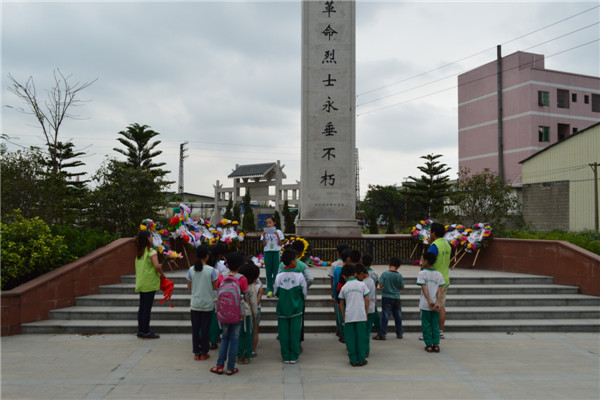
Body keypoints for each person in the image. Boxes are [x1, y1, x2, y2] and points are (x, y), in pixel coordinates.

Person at [210, 251, 248, 376]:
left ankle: (219, 365)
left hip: (223, 312)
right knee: (234, 338)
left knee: (225, 337)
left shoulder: (221, 276)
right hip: (237, 313)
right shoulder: (242, 278)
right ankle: (231, 367)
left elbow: (218, 290)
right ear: (240, 265)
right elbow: (246, 296)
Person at [274, 249, 307, 364]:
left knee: (283, 334)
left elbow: (275, 292)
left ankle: (285, 356)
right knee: (295, 333)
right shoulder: (299, 276)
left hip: (282, 308)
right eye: (295, 259)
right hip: (296, 309)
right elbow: (304, 293)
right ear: (292, 261)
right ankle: (294, 356)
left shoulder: (279, 276)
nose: (296, 261)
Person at [187, 245, 218, 360]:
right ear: (207, 256)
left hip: (195, 303)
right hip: (207, 304)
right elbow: (215, 287)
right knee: (205, 329)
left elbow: (189, 287)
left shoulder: (191, 269)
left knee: (195, 329)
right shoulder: (211, 270)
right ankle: (204, 352)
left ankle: (196, 353)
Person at [135, 230, 166, 339]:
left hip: (141, 282)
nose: (152, 239)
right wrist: (162, 274)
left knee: (142, 308)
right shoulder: (151, 251)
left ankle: (140, 331)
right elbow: (156, 266)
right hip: (149, 283)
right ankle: (146, 332)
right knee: (147, 308)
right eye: (151, 237)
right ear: (147, 239)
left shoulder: (140, 252)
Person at [339, 264, 370, 367]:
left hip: (349, 316)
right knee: (361, 338)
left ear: (344, 276)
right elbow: (367, 299)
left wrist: (343, 315)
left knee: (350, 339)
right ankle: (361, 359)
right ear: (355, 273)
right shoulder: (362, 285)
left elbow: (341, 303)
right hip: (360, 315)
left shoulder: (344, 287)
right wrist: (365, 312)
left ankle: (353, 359)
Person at [417, 252, 446, 353]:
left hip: (425, 304)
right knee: (435, 324)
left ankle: (429, 344)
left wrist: (429, 301)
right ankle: (436, 344)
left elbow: (424, 288)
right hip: (436, 305)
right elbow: (440, 290)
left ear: (426, 261)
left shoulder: (422, 273)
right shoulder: (439, 274)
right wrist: (437, 302)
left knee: (426, 324)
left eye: (422, 259)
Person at [428, 222, 451, 339]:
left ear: (434, 233)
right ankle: (440, 330)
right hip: (445, 279)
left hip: (434, 281)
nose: (429, 233)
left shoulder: (434, 246)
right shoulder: (447, 245)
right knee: (441, 305)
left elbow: (428, 261)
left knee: (433, 306)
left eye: (430, 231)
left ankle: (433, 332)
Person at [373, 257, 405, 340]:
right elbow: (402, 287)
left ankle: (382, 334)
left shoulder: (385, 274)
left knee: (385, 316)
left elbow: (380, 285)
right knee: (398, 315)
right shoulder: (399, 275)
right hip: (396, 297)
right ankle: (399, 333)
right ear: (399, 266)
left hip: (386, 297)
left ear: (389, 264)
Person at [237, 262, 259, 364]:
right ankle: (247, 356)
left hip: (237, 314)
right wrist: (255, 315)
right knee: (248, 335)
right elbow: (254, 303)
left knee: (239, 335)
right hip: (248, 314)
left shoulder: (237, 285)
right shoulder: (251, 287)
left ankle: (239, 355)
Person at [328, 243, 349, 339]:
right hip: (348, 293)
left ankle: (340, 330)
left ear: (339, 253)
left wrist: (333, 292)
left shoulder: (335, 265)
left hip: (338, 292)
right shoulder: (351, 265)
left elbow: (333, 280)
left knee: (339, 313)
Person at [355, 263, 376, 358]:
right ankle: (365, 350)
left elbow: (367, 298)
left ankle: (364, 351)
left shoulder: (365, 283)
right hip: (370, 309)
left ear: (362, 273)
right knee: (366, 332)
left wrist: (365, 312)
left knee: (365, 332)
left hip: (367, 310)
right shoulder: (370, 281)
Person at [261, 216, 284, 298]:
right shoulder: (264, 232)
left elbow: (280, 244)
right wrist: (263, 237)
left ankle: (276, 290)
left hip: (275, 252)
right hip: (267, 253)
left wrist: (277, 236)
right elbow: (264, 245)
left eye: (270, 222)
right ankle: (269, 290)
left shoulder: (279, 232)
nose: (268, 224)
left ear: (274, 223)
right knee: (268, 272)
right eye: (267, 223)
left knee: (276, 272)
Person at [333, 248, 352, 343]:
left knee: (342, 315)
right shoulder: (351, 269)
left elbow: (335, 283)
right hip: (347, 296)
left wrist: (335, 295)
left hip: (341, 296)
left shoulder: (337, 269)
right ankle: (345, 333)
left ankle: (342, 332)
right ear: (349, 259)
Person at [362, 254, 380, 333]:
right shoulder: (374, 273)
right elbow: (376, 284)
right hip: (372, 296)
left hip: (363, 297)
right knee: (375, 313)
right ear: (371, 263)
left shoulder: (361, 273)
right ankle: (379, 328)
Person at [251, 276, 263, 357]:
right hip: (256, 310)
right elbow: (257, 302)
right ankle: (252, 350)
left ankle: (243, 349)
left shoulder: (243, 286)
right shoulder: (259, 288)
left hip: (245, 310)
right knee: (255, 331)